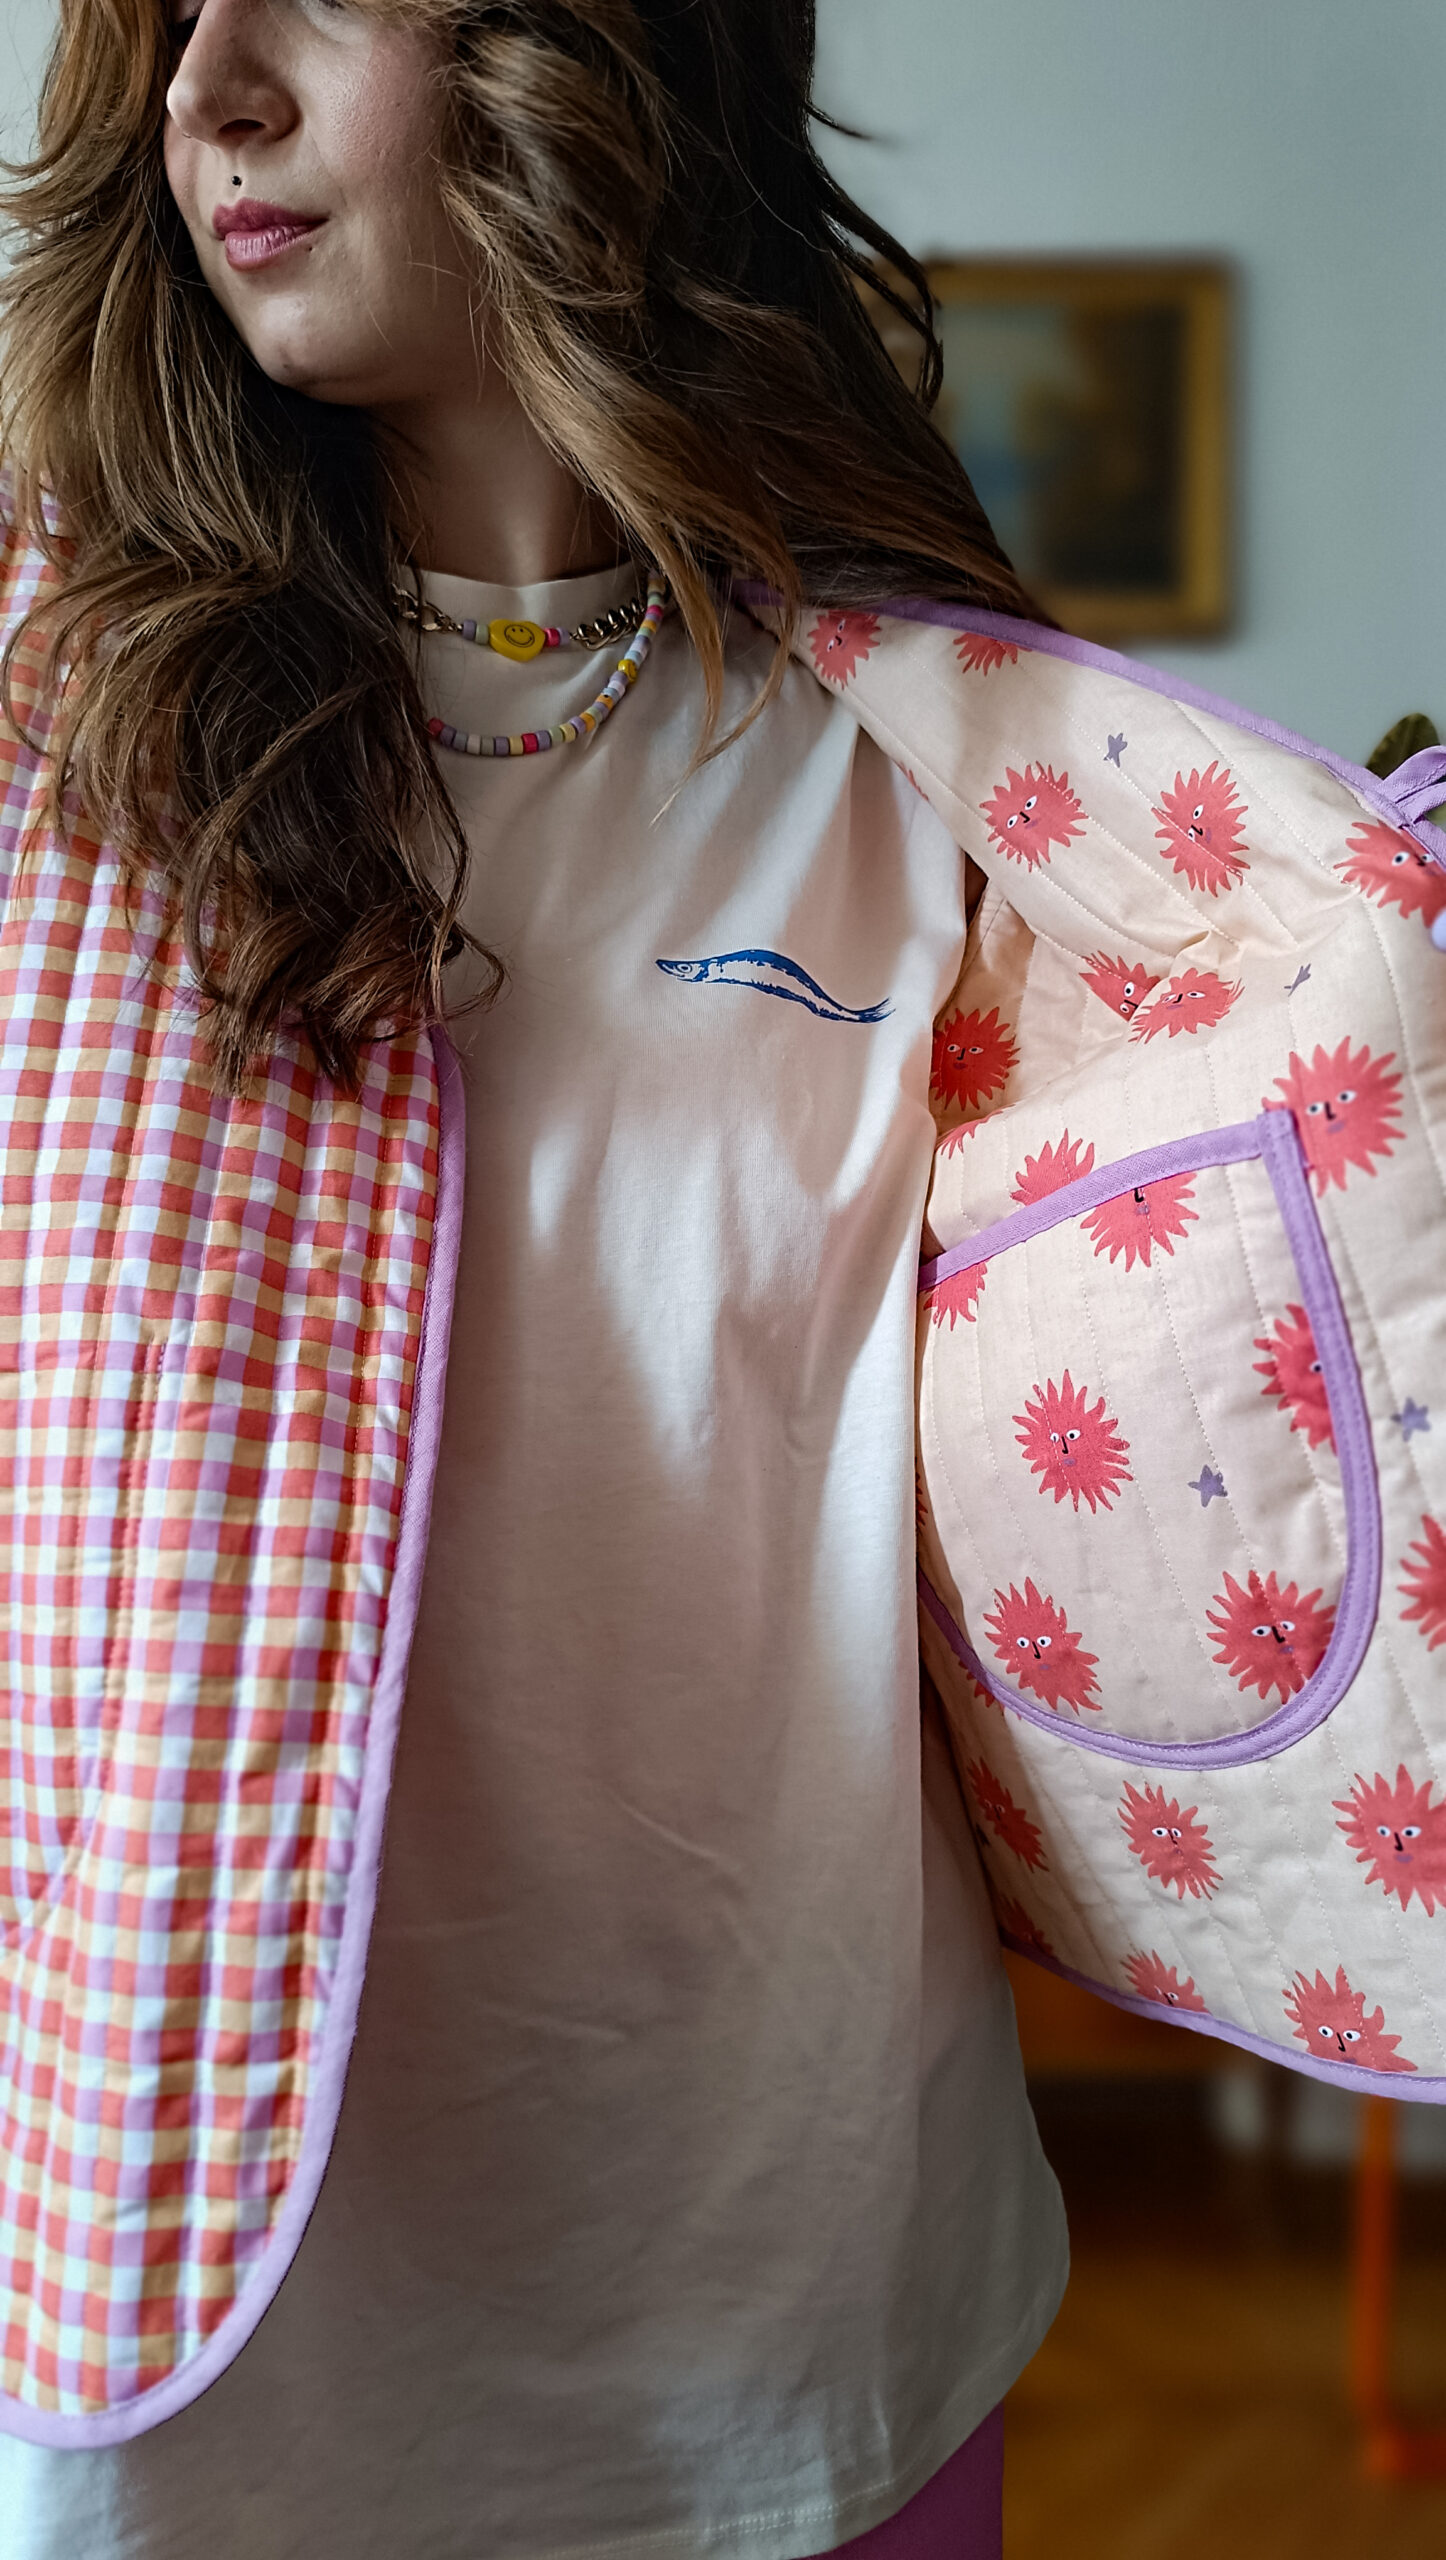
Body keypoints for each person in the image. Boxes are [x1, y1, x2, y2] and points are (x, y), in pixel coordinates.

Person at [0, 1, 1067, 2551]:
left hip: (806, 2286)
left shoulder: (957, 754)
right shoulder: (53, 734)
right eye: (164, 15)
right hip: (181, 2304)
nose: (208, 88)